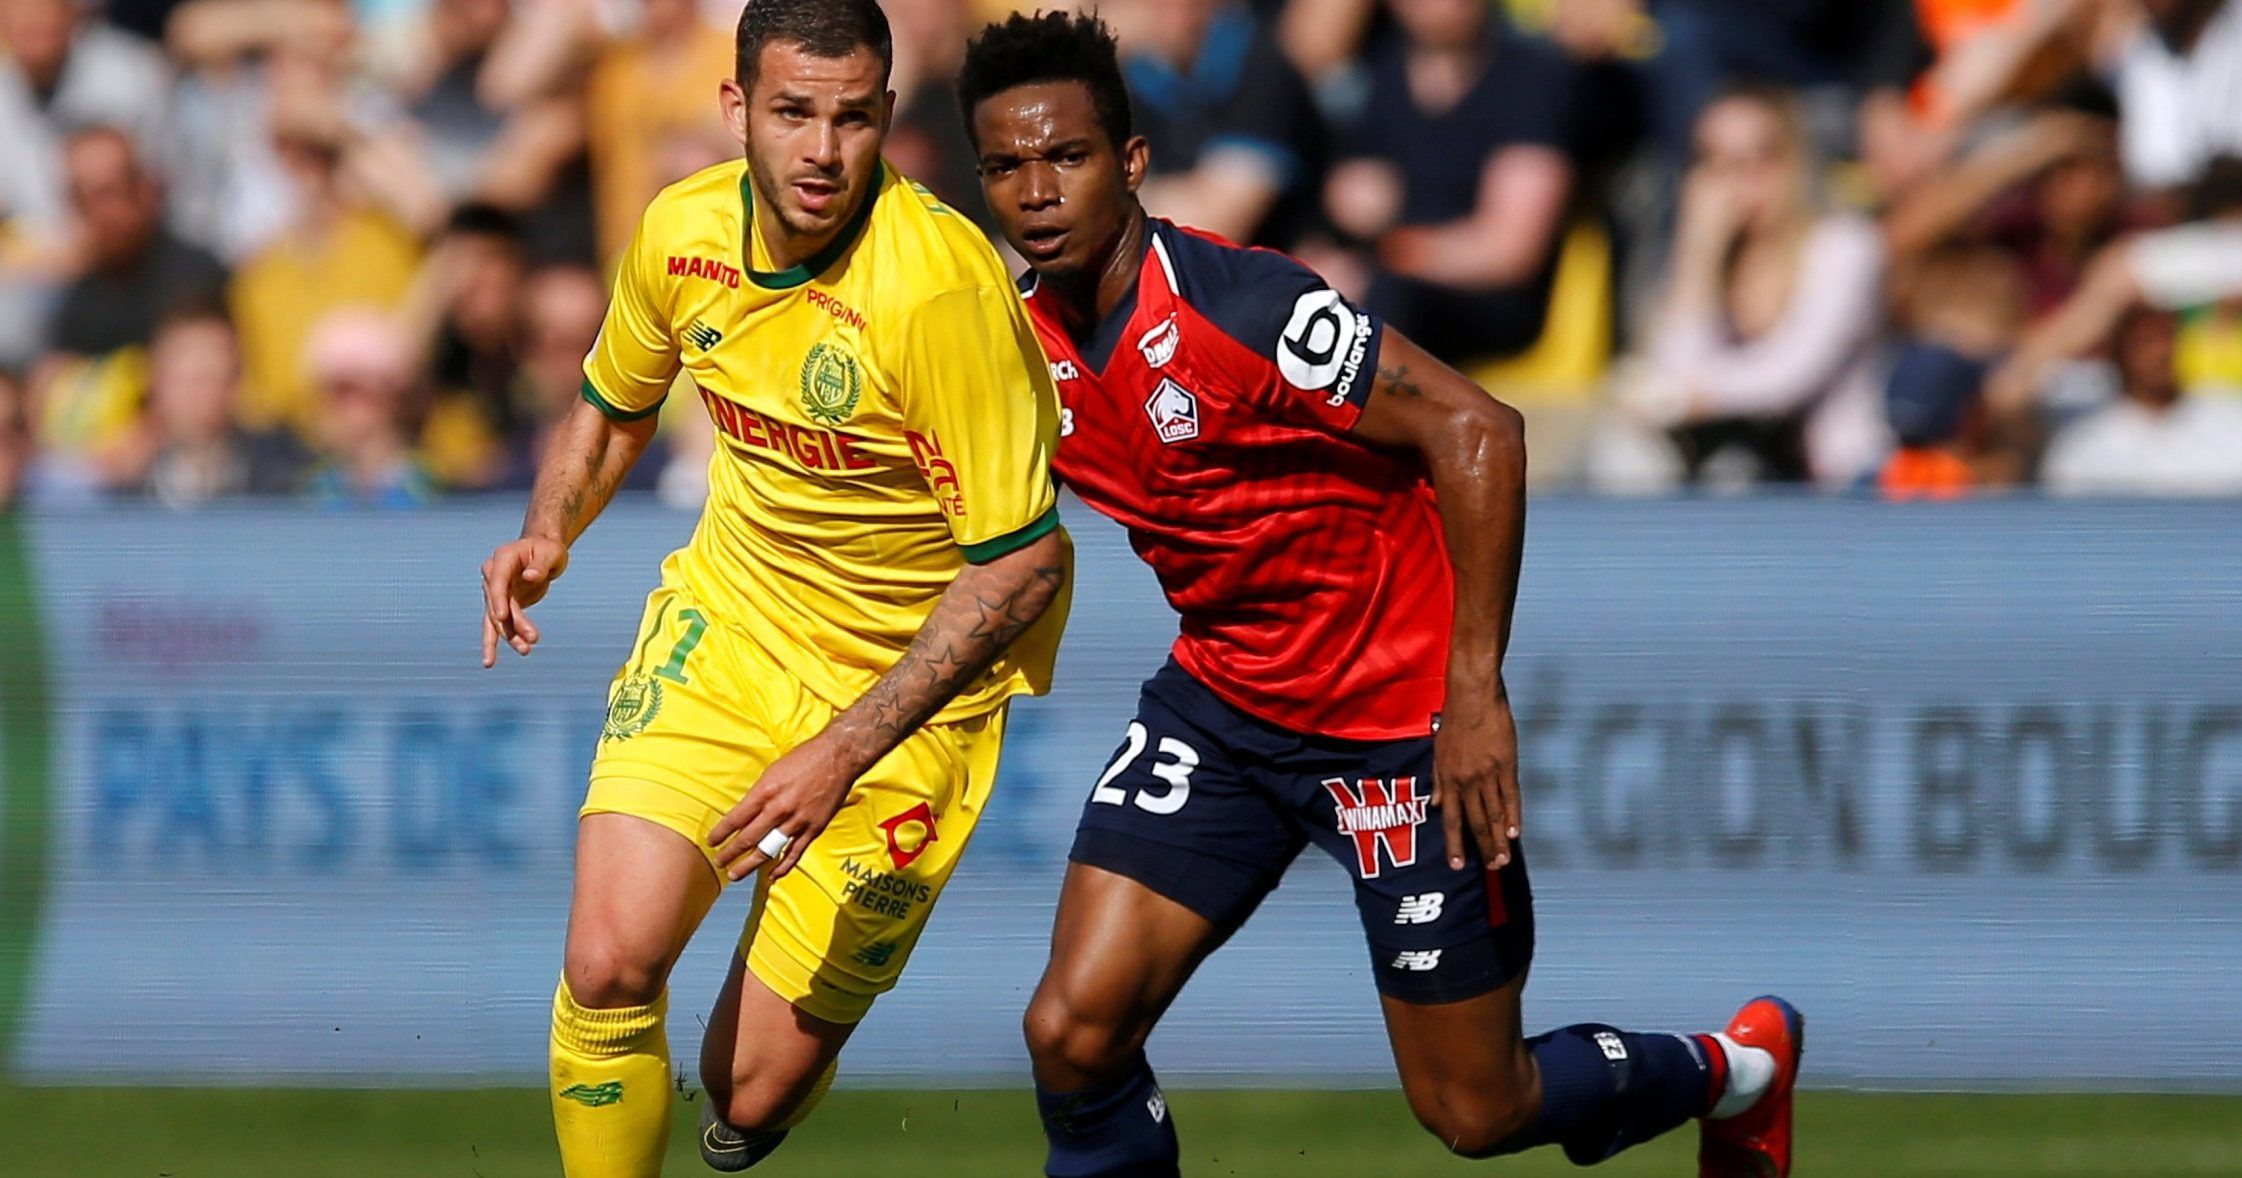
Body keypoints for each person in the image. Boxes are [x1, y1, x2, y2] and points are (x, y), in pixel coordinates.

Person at [957, 11, 1799, 1178]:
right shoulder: (1010, 351)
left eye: (1067, 156)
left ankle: (1734, 1071)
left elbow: (1478, 430)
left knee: (1475, 1108)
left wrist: (1472, 693)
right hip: (1222, 710)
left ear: (1133, 160)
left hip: (1397, 729)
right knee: (1070, 1030)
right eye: (1006, 166)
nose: (1038, 191)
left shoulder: (1242, 307)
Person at [476, 2, 1071, 1174]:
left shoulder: (938, 290)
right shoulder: (680, 230)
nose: (821, 150)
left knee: (748, 1089)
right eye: (793, 113)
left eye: (851, 119)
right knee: (605, 963)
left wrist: (841, 748)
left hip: (907, 704)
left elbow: (1024, 561)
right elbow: (615, 403)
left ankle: (753, 1103)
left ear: (887, 117)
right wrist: (548, 528)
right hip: (730, 636)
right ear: (735, 107)